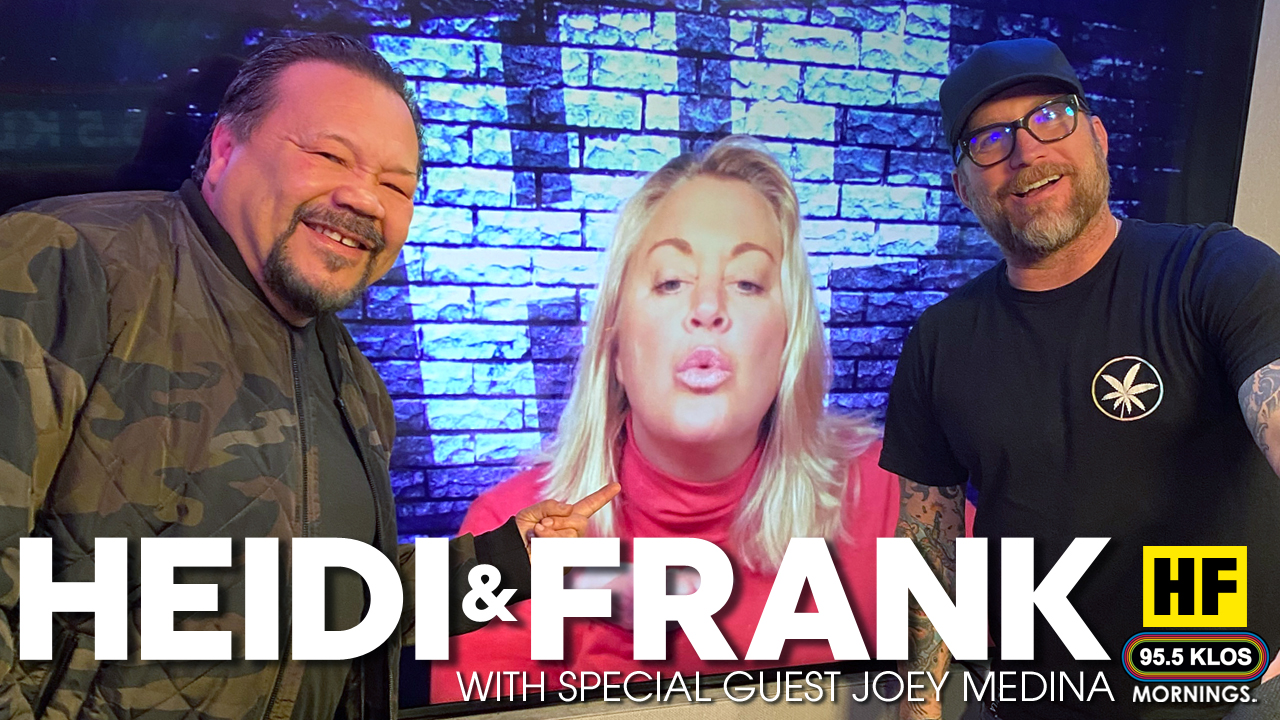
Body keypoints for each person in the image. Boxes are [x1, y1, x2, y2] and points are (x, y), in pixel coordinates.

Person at [0, 33, 614, 720]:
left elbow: (339, 606)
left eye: (396, 186)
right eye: (329, 156)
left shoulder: (354, 381)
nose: (366, 199)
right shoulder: (64, 261)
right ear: (225, 149)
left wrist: (507, 557)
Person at [880, 38, 1280, 720]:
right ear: (963, 188)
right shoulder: (941, 339)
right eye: (989, 140)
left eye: (1049, 118)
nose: (1025, 152)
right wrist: (918, 708)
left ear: (1096, 137)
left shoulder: (1215, 272)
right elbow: (929, 541)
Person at [428, 135, 901, 703]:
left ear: (788, 343)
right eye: (671, 281)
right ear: (616, 348)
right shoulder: (506, 536)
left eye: (747, 282)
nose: (708, 308)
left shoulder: (897, 500)